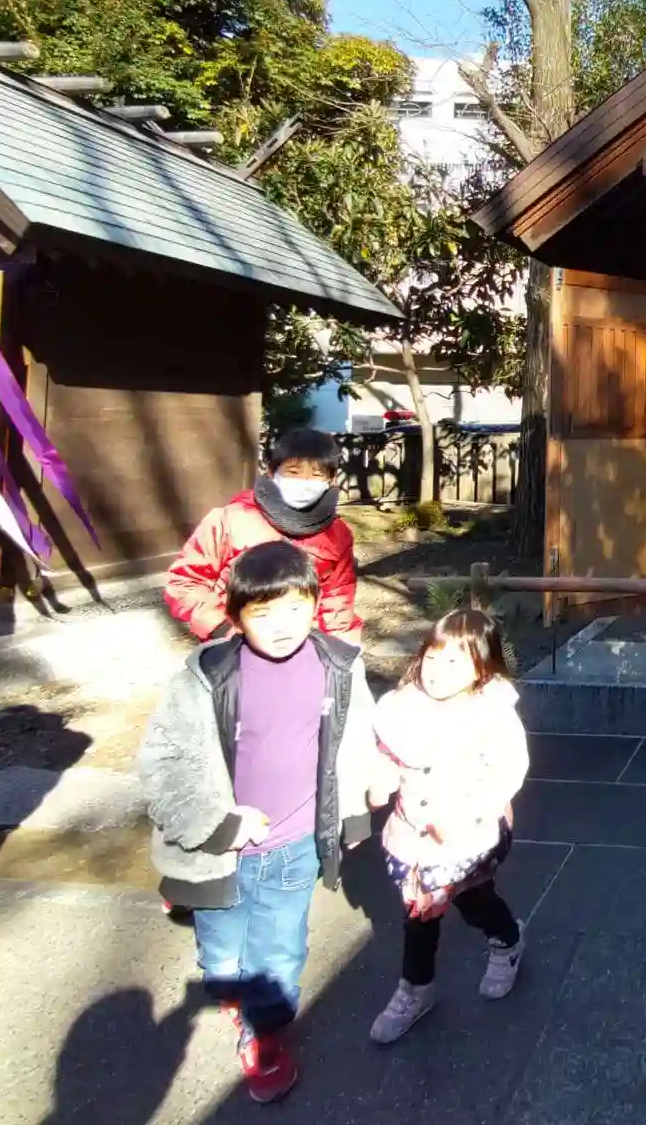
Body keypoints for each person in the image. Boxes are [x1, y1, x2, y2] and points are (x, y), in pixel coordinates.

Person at [137, 540, 380, 1105]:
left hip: (296, 842)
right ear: (236, 615)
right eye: (264, 612)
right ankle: (230, 987)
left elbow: (356, 738)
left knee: (278, 949)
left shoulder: (339, 665)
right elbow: (164, 763)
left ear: (315, 605)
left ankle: (266, 1034)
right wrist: (218, 822)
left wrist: (357, 807)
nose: (283, 625)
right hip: (220, 850)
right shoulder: (206, 676)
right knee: (222, 948)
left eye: (296, 607)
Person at [367, 609, 530, 1045]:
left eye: (455, 661)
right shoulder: (403, 706)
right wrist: (380, 778)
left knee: (471, 901)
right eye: (433, 657)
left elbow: (506, 772)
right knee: (419, 912)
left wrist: (464, 813)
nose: (438, 670)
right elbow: (387, 751)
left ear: (482, 668)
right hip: (411, 834)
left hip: (467, 835)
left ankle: (507, 940)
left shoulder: (490, 715)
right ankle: (416, 989)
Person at [165, 428, 361, 647]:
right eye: (293, 471)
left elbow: (338, 598)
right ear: (271, 472)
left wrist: (341, 649)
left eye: (316, 475)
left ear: (331, 480)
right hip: (234, 642)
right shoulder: (230, 519)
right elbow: (185, 582)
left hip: (302, 645)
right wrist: (222, 629)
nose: (305, 481)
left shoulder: (337, 534)